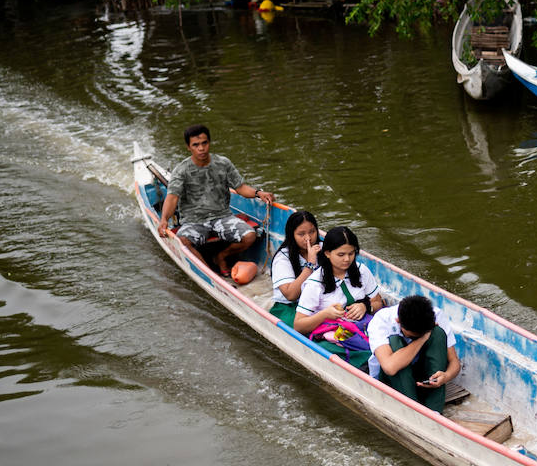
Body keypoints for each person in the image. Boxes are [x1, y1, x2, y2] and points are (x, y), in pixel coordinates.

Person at [158, 124, 274, 277]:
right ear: (188, 147)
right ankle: (209, 274)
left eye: (204, 143)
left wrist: (259, 193)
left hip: (222, 217)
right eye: (196, 145)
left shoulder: (223, 163)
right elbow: (172, 198)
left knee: (250, 235)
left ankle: (221, 257)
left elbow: (240, 188)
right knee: (183, 241)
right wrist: (164, 219)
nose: (201, 148)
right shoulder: (181, 170)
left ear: (209, 143)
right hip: (194, 221)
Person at [367, 294, 461, 413]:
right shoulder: (382, 320)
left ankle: (434, 410)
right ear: (398, 321)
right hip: (391, 381)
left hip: (419, 377)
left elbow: (454, 362)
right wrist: (423, 337)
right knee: (394, 341)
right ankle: (413, 410)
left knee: (438, 333)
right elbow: (390, 368)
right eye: (411, 336)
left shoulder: (435, 315)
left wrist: (446, 376)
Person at [293, 226, 385, 337]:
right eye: (341, 255)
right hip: (332, 333)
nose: (347, 259)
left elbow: (378, 302)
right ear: (327, 253)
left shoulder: (362, 271)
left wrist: (365, 307)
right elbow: (298, 325)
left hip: (359, 326)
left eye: (351, 254)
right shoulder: (315, 284)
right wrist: (324, 314)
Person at [269, 210, 321, 328]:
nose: (308, 238)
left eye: (312, 232)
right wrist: (310, 264)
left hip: (317, 301)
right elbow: (290, 295)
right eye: (301, 234)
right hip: (290, 307)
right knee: (306, 328)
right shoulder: (283, 258)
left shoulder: (323, 249)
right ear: (292, 235)